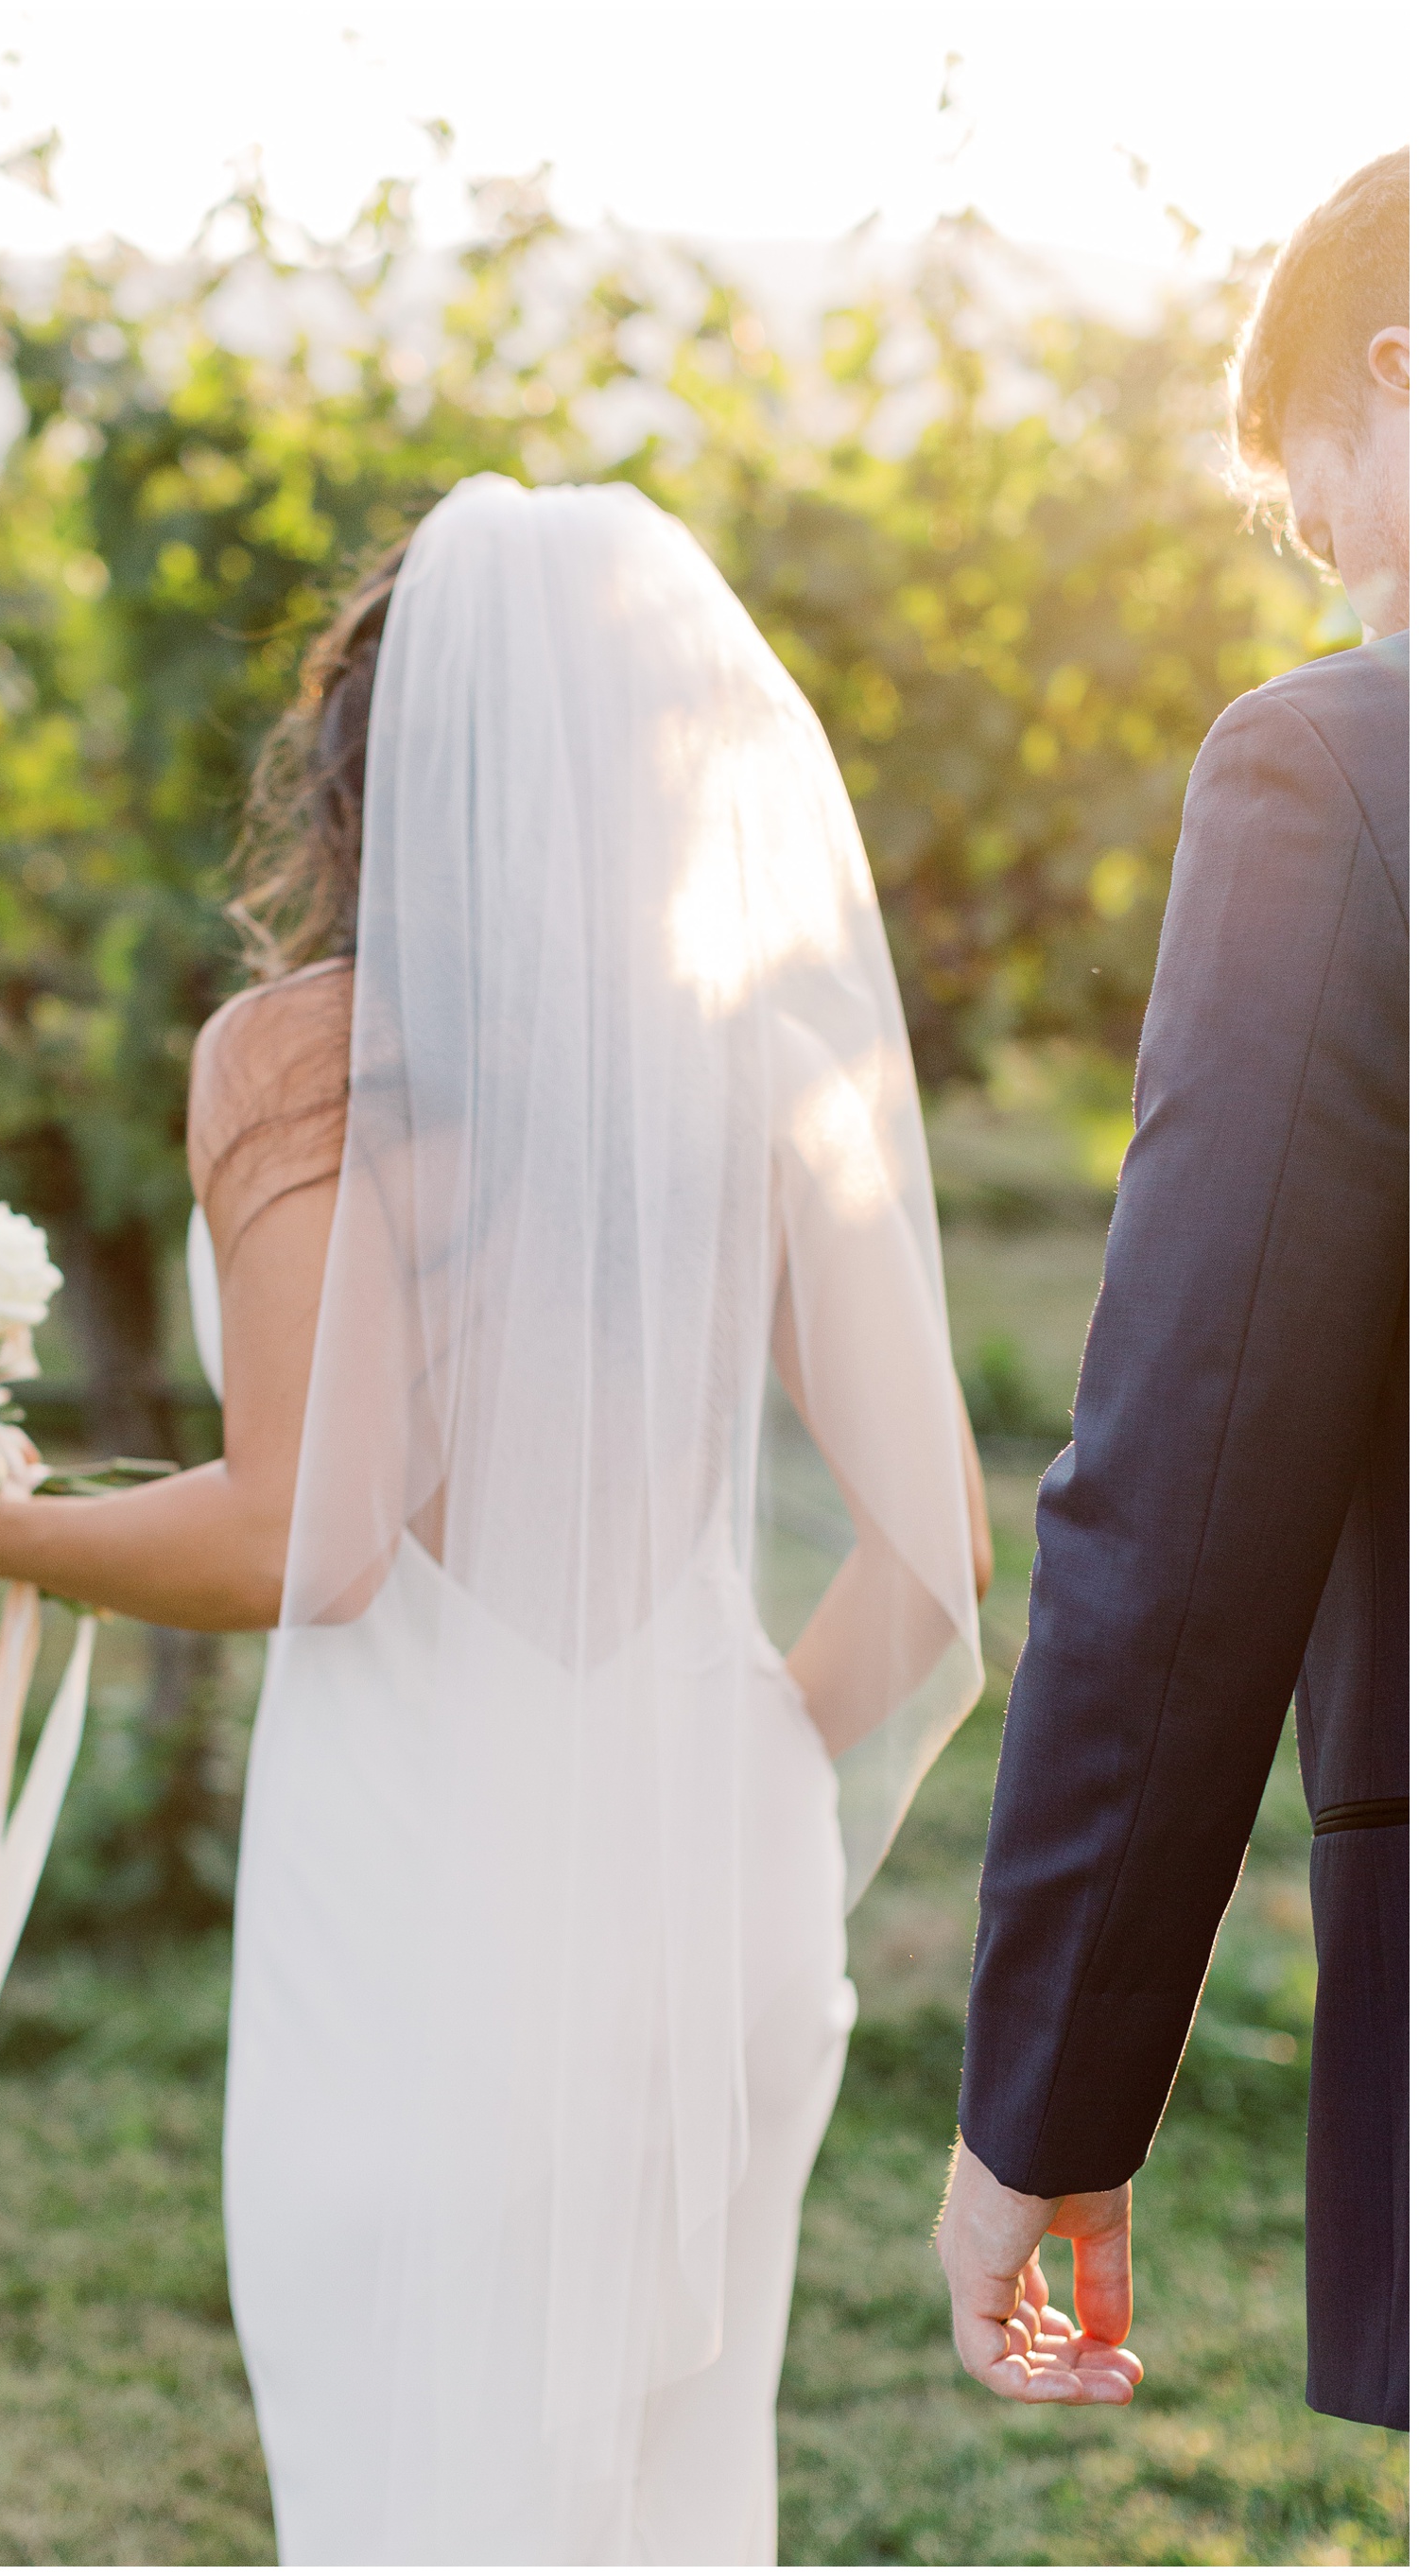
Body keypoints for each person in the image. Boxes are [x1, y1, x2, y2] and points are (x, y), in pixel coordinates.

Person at [0, 474, 992, 2561]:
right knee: (671, 2499)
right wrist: (752, 1751)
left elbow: (306, 1541)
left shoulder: (302, 1060)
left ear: (364, 763)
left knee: (418, 2489)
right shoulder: (768, 1055)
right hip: (715, 1901)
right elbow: (936, 1545)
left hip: (430, 1895)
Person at [938, 148, 1409, 2432]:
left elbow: (1190, 1478)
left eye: (1315, 509)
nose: (1322, 575)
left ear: (1397, 374)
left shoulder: (1336, 773)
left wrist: (1051, 2097)